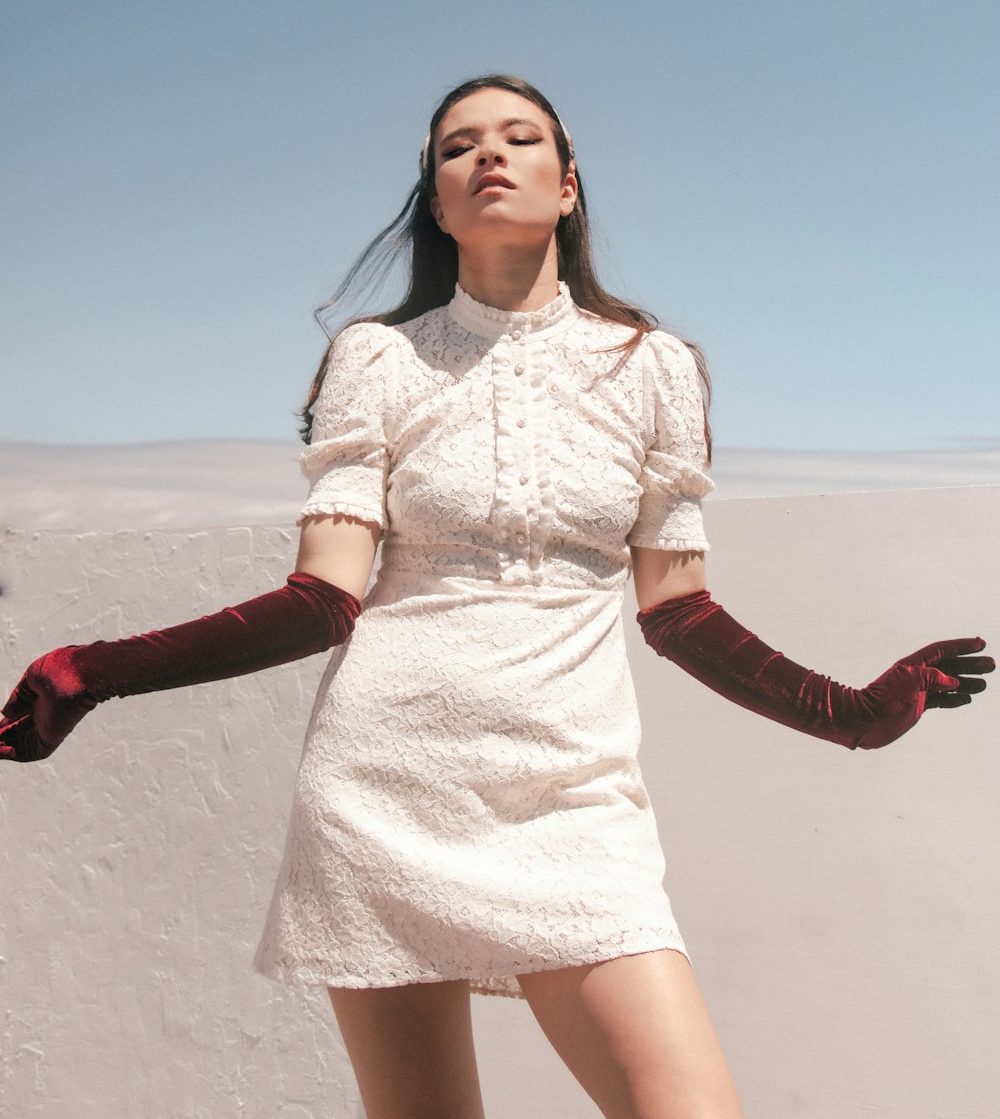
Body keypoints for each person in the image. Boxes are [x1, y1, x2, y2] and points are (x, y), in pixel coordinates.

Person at [1, 74, 992, 1119]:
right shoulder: (375, 359)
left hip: (572, 795)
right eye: (456, 147)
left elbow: (676, 610)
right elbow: (320, 601)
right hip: (384, 789)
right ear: (437, 202)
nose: (487, 156)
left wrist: (848, 712)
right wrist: (91, 671)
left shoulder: (655, 368)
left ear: (566, 186)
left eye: (519, 139)